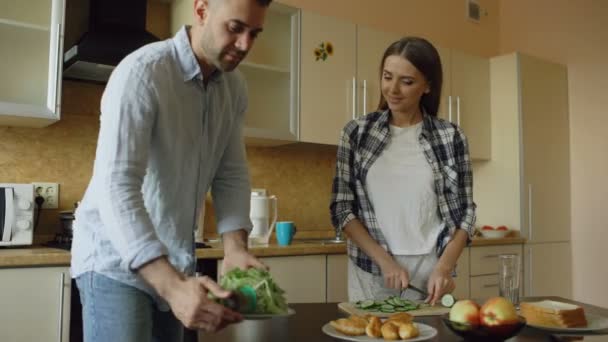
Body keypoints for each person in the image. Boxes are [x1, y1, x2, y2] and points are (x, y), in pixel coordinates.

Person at [70, 0, 273, 341]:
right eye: (235, 28)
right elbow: (116, 184)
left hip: (174, 260)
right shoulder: (143, 72)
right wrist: (174, 286)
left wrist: (236, 248)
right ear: (202, 10)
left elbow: (231, 172)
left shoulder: (234, 88)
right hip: (115, 262)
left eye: (255, 34)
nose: (245, 46)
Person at [330, 37, 476, 306]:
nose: (393, 89)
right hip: (373, 269)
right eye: (387, 77)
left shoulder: (451, 136)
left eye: (407, 82)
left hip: (430, 272)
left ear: (427, 86)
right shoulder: (356, 133)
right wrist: (385, 261)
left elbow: (466, 213)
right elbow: (342, 208)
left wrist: (444, 267)